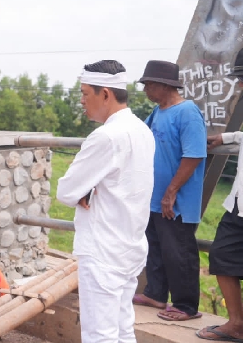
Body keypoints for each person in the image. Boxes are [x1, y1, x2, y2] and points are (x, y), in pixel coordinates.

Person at [56, 60, 155, 342]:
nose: (81, 101)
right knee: (123, 329)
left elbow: (65, 191)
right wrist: (88, 188)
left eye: (85, 93)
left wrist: (84, 190)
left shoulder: (106, 136)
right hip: (130, 245)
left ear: (106, 94)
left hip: (103, 249)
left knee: (100, 335)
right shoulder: (142, 130)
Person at [131, 60, 207, 322]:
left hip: (176, 200)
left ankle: (186, 305)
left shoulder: (187, 113)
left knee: (179, 252)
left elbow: (194, 155)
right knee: (155, 247)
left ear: (165, 85)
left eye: (149, 85)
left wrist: (171, 191)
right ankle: (156, 293)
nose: (146, 90)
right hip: (154, 197)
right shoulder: (158, 111)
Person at [197, 51, 243, 342]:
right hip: (239, 203)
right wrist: (226, 138)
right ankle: (237, 324)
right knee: (223, 255)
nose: (239, 86)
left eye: (242, 79)